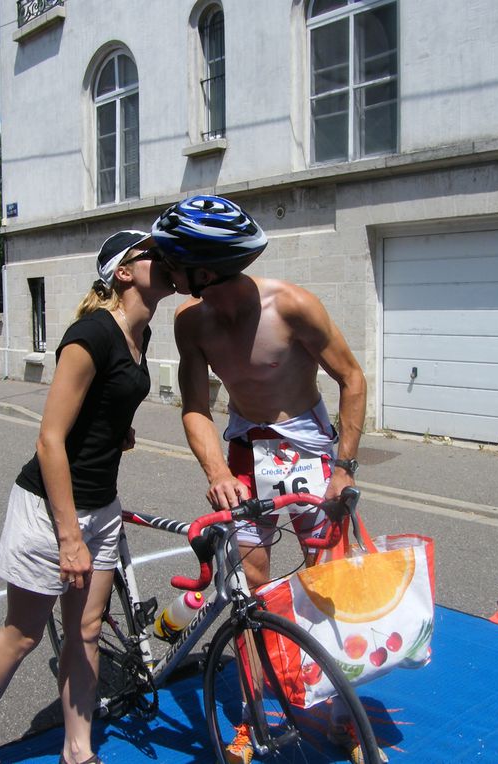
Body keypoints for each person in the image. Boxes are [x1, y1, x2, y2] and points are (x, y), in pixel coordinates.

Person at [151, 196, 374, 764]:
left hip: (310, 451)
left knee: (327, 585)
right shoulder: (190, 322)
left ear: (203, 270)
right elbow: (196, 406)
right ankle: (253, 713)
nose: (166, 272)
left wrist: (343, 468)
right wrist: (218, 470)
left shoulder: (292, 306)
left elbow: (351, 378)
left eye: (174, 263)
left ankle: (344, 713)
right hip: (247, 452)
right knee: (249, 589)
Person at [0, 230, 173, 764]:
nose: (167, 262)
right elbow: (49, 438)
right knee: (25, 633)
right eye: (154, 255)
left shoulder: (140, 337)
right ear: (124, 273)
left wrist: (117, 430)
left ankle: (78, 750)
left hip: (102, 506)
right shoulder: (90, 334)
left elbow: (105, 404)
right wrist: (69, 537)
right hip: (51, 510)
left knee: (88, 631)